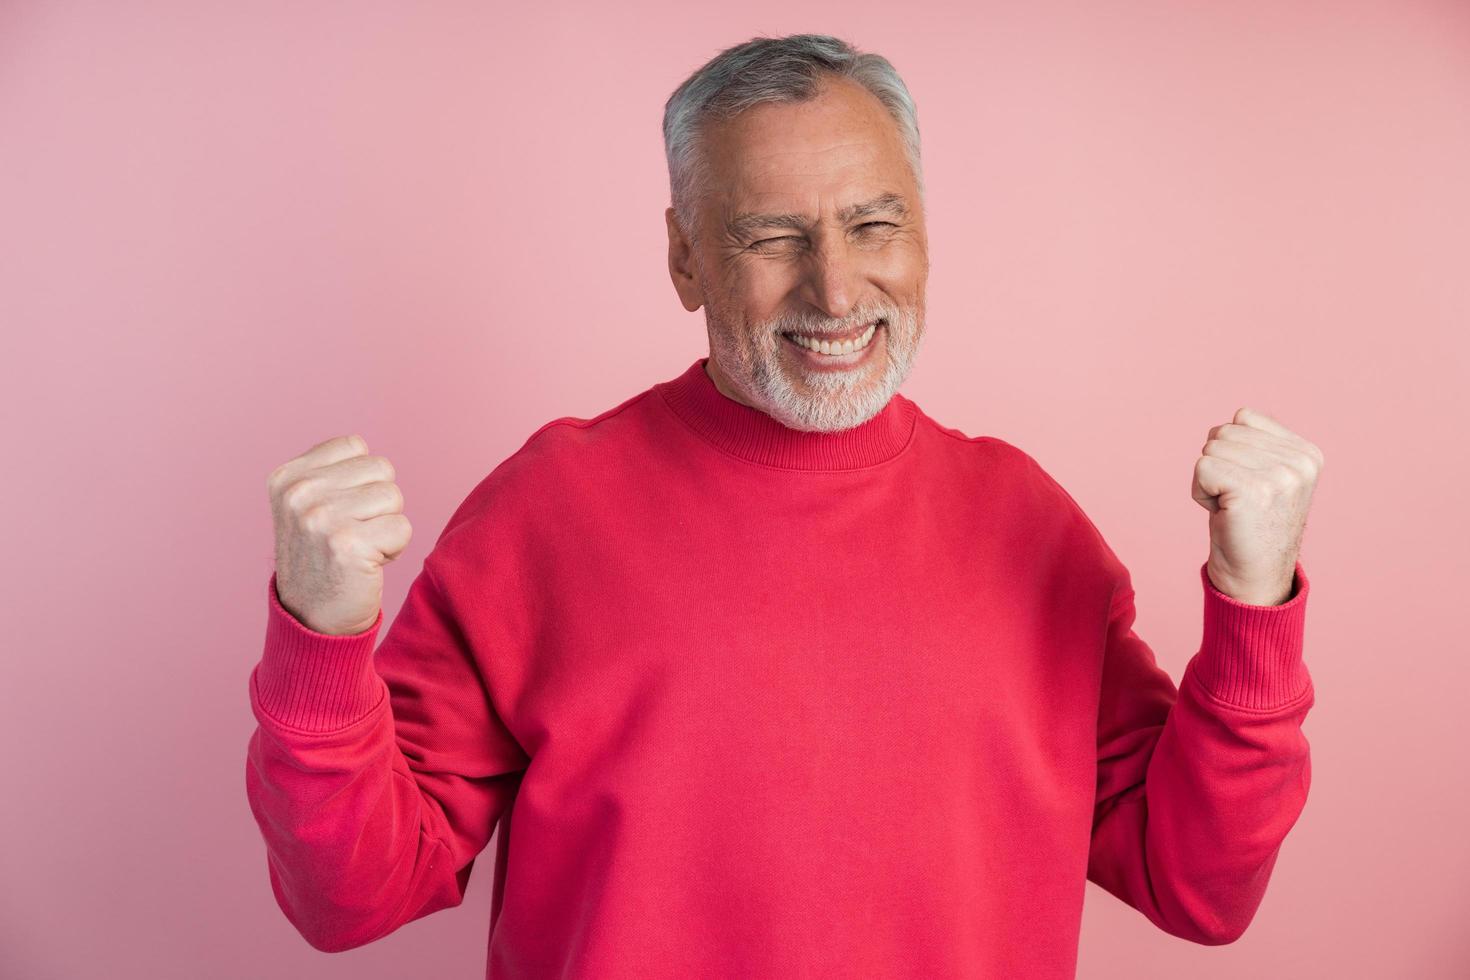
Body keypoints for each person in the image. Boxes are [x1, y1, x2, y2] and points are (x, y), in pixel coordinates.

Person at [246, 33, 1324, 979]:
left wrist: (1253, 600)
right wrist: (322, 640)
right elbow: (353, 898)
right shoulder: (546, 513)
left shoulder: (1030, 524)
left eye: (872, 226)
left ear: (924, 236)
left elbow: (1196, 884)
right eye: (772, 237)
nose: (837, 291)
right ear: (684, 257)